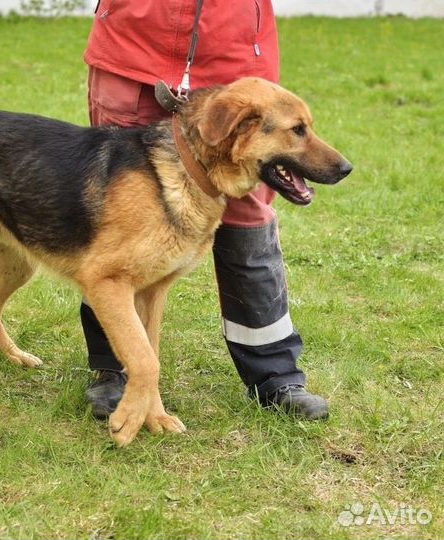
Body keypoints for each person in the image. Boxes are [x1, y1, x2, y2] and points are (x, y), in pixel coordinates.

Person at [81, 0, 329, 421]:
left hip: (233, 57)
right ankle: (115, 370)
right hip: (133, 49)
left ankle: (274, 373)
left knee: (247, 217)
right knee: (118, 223)